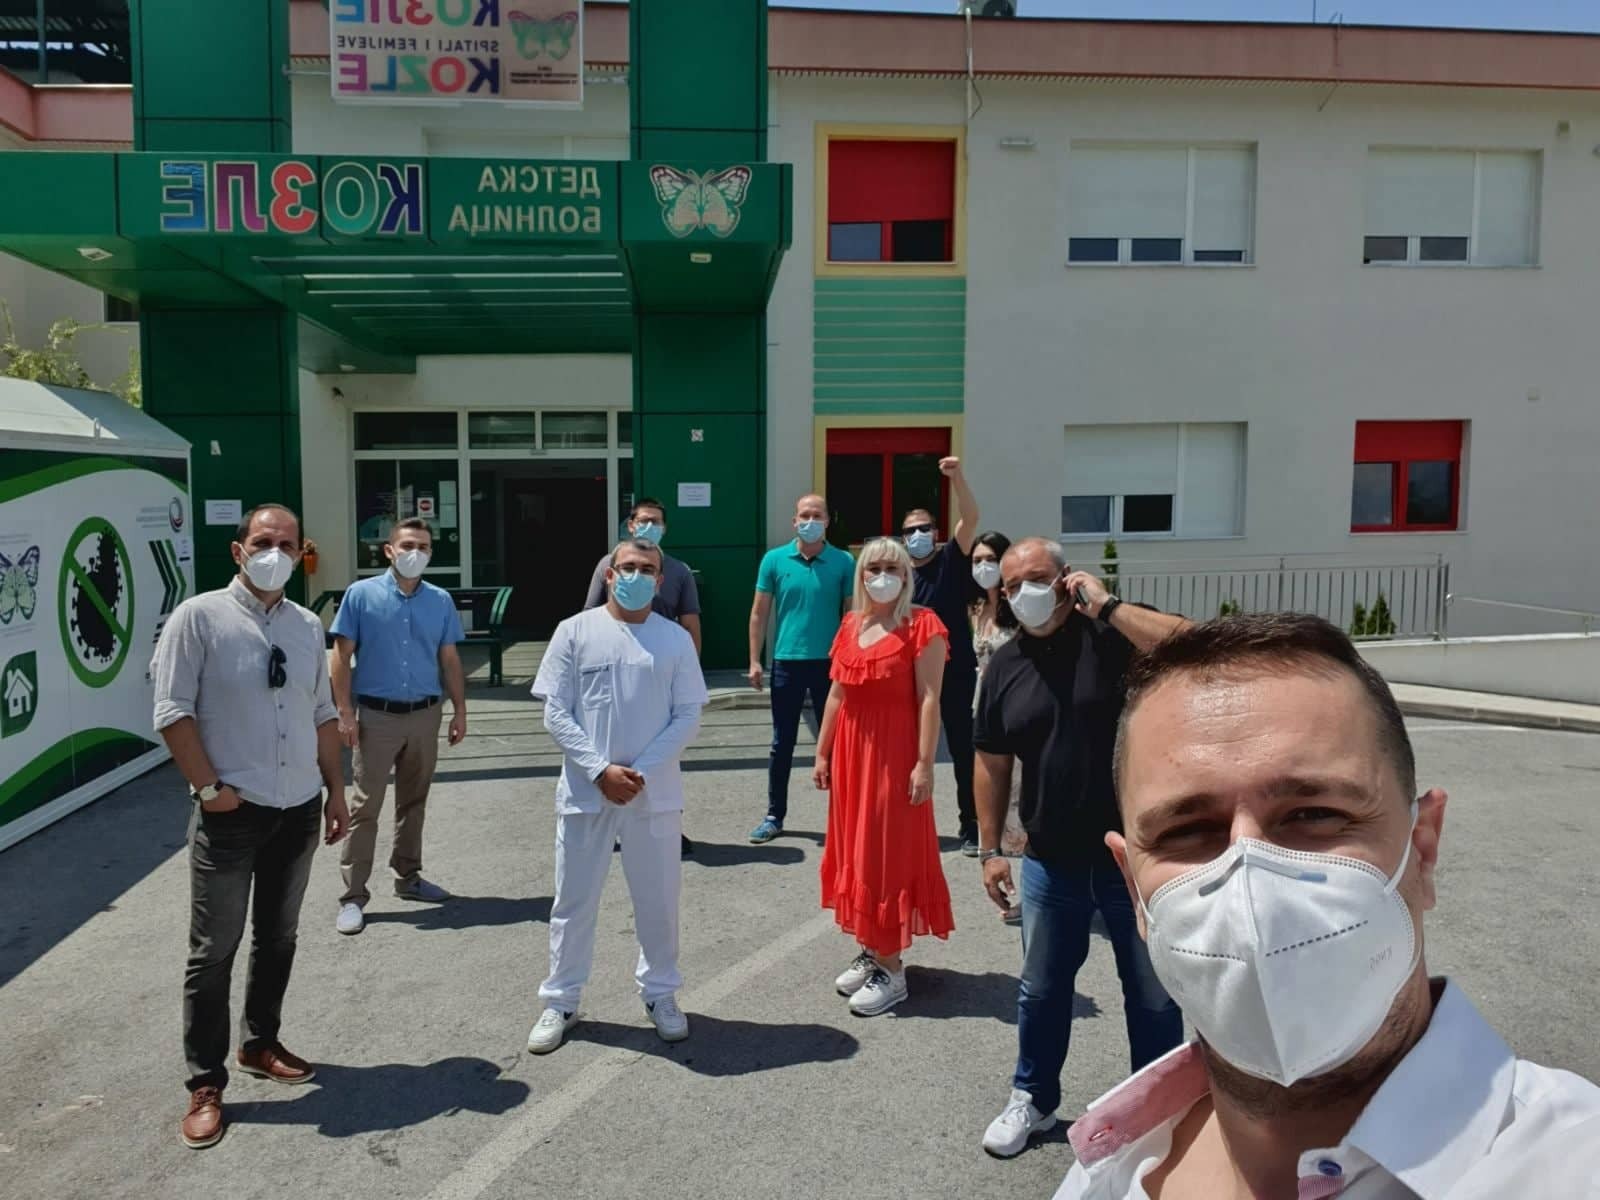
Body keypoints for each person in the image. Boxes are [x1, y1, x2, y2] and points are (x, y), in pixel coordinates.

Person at [1058, 613, 1600, 1199]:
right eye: (1187, 830)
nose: (1251, 887)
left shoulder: (1572, 1164)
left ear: (1422, 849)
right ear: (1134, 890)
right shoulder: (1106, 1172)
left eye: (1315, 814)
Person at [973, 537, 1190, 1159]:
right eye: (1013, 585)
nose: (1024, 593)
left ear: (1068, 579)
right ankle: (1033, 1097)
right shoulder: (1005, 665)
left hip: (1135, 857)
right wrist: (990, 849)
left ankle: (1158, 1110)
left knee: (1152, 994)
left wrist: (1109, 605)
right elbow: (991, 761)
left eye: (1037, 579)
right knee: (1041, 990)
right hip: (1049, 860)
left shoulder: (1114, 639)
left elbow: (1191, 644)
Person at [150, 504, 349, 1150]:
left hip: (298, 808)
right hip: (230, 815)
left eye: (287, 544)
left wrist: (335, 790)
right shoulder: (199, 619)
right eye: (263, 541)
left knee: (278, 937)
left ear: (301, 554)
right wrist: (209, 789)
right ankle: (205, 1082)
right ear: (238, 551)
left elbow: (322, 713)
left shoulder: (305, 625)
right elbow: (172, 712)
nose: (275, 553)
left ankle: (259, 1043)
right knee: (213, 950)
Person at [526, 538, 708, 1055]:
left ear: (660, 580)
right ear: (608, 574)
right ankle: (561, 1000)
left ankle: (661, 993)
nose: (635, 575)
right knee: (573, 901)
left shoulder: (674, 639)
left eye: (647, 569)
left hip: (653, 795)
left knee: (658, 901)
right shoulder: (574, 631)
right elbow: (555, 711)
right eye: (627, 566)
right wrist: (599, 769)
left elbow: (687, 715)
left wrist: (639, 773)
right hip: (587, 792)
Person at [811, 538, 953, 1016]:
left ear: (907, 574)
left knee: (886, 855)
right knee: (857, 850)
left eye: (892, 567)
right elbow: (837, 695)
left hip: (894, 756)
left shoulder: (922, 625)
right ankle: (873, 948)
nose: (882, 575)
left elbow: (930, 698)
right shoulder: (851, 624)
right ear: (861, 574)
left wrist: (924, 763)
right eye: (873, 568)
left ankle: (892, 971)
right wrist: (822, 752)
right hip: (852, 756)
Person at [328, 517, 466, 936]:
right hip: (377, 716)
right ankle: (353, 896)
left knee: (414, 801)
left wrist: (460, 709)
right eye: (407, 545)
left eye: (423, 547)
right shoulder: (361, 595)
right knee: (365, 806)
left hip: (425, 714)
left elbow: (449, 659)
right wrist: (344, 712)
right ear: (389, 550)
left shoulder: (440, 600)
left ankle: (408, 877)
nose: (415, 553)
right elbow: (340, 656)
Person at [583, 496, 702, 859]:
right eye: (643, 520)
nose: (650, 526)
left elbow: (690, 623)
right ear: (630, 525)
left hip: (660, 675)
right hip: (615, 674)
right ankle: (611, 826)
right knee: (613, 748)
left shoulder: (678, 571)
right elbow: (590, 616)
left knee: (663, 753)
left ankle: (669, 827)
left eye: (657, 521)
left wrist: (689, 674)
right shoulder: (609, 564)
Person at [746, 493, 854, 844]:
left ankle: (844, 818)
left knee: (835, 742)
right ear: (794, 521)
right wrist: (755, 660)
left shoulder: (843, 561)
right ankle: (774, 816)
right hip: (787, 662)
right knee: (782, 743)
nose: (810, 521)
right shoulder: (774, 560)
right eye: (804, 515)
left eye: (817, 515)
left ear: (827, 521)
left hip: (830, 665)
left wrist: (850, 660)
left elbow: (851, 614)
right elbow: (759, 613)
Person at [903, 456, 982, 854]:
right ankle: (909, 825)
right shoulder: (899, 577)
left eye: (924, 528)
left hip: (955, 671)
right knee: (911, 752)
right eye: (910, 530)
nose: (918, 534)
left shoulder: (951, 559)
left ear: (934, 532)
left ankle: (972, 824)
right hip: (912, 676)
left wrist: (956, 477)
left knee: (962, 750)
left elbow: (970, 517)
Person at [969, 530, 1026, 865]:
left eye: (991, 559)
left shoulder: (1018, 606)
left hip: (1015, 701)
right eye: (977, 560)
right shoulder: (976, 607)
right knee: (991, 782)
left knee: (1018, 782)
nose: (983, 566)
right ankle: (994, 852)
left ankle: (1022, 854)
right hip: (984, 703)